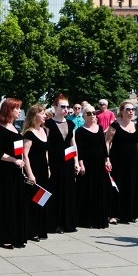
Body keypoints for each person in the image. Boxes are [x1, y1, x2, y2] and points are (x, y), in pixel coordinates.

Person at [0, 98, 27, 249]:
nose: (19, 111)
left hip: (16, 170)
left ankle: (16, 234)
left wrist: (21, 160)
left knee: (16, 203)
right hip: (5, 171)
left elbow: (18, 149)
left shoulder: (15, 128)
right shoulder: (0, 128)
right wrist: (13, 160)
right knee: (6, 202)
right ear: (9, 110)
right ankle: (4, 236)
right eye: (16, 108)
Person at [45, 95, 80, 234]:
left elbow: (73, 143)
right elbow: (45, 145)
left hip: (68, 162)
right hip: (54, 161)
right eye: (62, 107)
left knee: (69, 191)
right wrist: (47, 164)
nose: (65, 109)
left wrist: (76, 162)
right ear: (55, 107)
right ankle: (55, 223)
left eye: (67, 107)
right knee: (55, 191)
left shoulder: (71, 124)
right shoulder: (48, 124)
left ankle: (68, 222)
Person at [106, 101, 138, 223]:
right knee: (117, 186)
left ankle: (130, 213)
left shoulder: (137, 126)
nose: (131, 111)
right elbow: (107, 142)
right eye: (128, 109)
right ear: (122, 111)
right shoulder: (115, 125)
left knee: (131, 185)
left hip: (133, 161)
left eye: (133, 109)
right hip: (117, 160)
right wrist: (107, 159)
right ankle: (113, 214)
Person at [74, 103, 109, 229]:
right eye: (89, 113)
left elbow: (103, 146)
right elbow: (79, 149)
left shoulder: (99, 128)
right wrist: (80, 163)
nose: (92, 115)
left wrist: (107, 160)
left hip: (99, 163)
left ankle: (98, 218)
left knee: (99, 189)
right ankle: (85, 219)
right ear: (84, 115)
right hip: (87, 163)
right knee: (87, 189)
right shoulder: (80, 131)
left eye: (94, 113)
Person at [22, 104, 49, 242]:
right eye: (42, 113)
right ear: (34, 116)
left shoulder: (44, 131)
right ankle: (31, 230)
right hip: (34, 170)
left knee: (42, 199)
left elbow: (45, 152)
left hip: (44, 169)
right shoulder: (29, 133)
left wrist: (48, 167)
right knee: (33, 201)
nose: (45, 115)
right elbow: (25, 155)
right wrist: (30, 174)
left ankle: (40, 228)